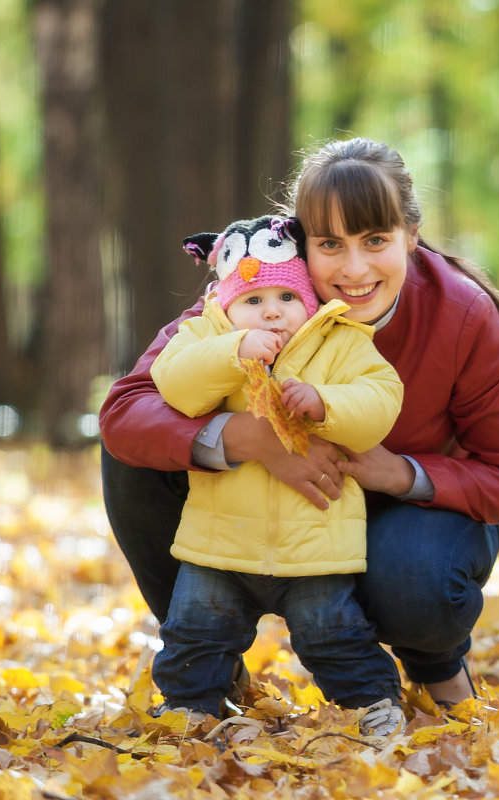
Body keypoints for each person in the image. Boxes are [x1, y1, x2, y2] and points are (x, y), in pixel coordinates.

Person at [99, 137, 499, 710]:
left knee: (415, 578)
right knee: (136, 457)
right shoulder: (266, 295)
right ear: (298, 240)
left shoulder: (464, 315)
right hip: (252, 502)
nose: (354, 269)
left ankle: (434, 663)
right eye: (330, 243)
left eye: (377, 240)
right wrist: (253, 440)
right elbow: (124, 413)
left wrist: (401, 473)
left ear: (411, 235)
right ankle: (205, 654)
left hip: (407, 511)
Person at [146, 214, 406, 735]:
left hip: (315, 542)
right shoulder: (204, 335)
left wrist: (326, 403)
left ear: (307, 300)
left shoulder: (341, 341)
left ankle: (371, 703)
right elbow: (174, 384)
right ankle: (189, 705)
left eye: (287, 299)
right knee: (196, 632)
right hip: (219, 543)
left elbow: (382, 398)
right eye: (254, 302)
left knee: (334, 634)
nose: (272, 314)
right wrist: (230, 352)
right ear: (226, 304)